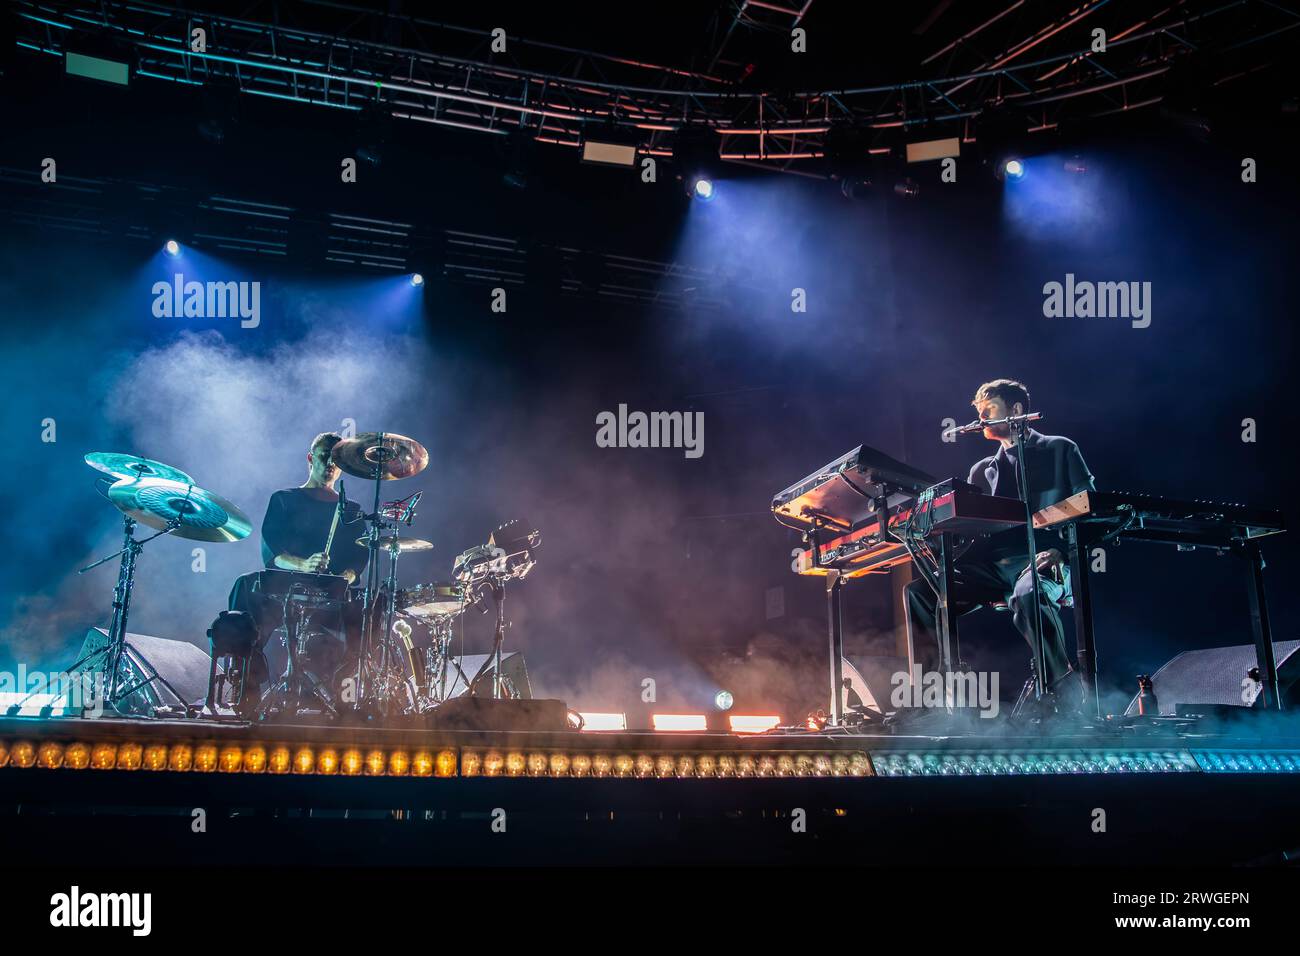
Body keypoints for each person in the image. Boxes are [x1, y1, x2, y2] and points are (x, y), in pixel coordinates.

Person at [904, 379, 1095, 717]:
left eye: (988, 411)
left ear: (1017, 410)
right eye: (978, 413)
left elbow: (1091, 510)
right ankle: (929, 699)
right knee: (921, 591)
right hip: (993, 567)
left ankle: (1064, 691)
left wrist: (1062, 552)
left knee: (1028, 590)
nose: (980, 421)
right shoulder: (981, 470)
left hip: (1045, 558)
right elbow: (970, 533)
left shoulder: (1060, 449)